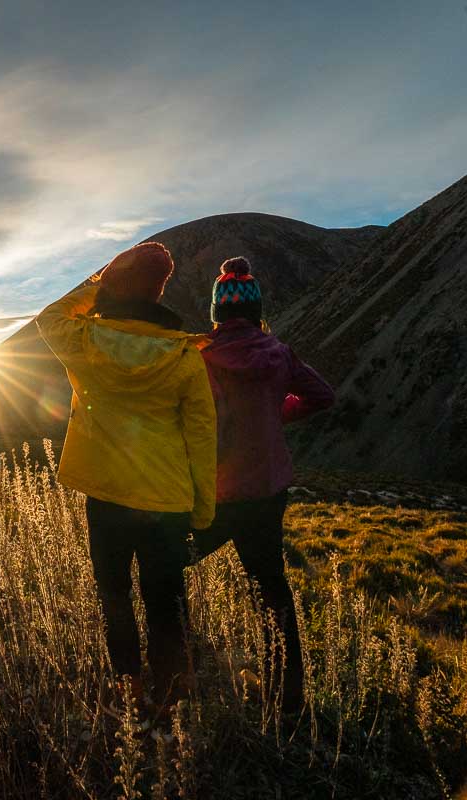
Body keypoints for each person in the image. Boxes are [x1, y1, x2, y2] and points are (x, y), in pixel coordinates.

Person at [36, 242, 217, 710]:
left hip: (107, 494)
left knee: (113, 595)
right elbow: (201, 438)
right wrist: (203, 508)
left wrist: (98, 284)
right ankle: (174, 697)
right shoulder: (183, 355)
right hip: (167, 500)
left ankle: (129, 692)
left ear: (115, 286)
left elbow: (48, 318)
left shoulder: (84, 340)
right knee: (166, 603)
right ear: (159, 292)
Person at [196, 256, 334, 714]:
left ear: (217, 312)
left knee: (168, 562)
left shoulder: (200, 357)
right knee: (271, 588)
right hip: (267, 491)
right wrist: (277, 412)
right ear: (256, 311)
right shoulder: (279, 353)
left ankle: (188, 668)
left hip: (215, 491)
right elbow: (322, 395)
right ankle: (288, 698)